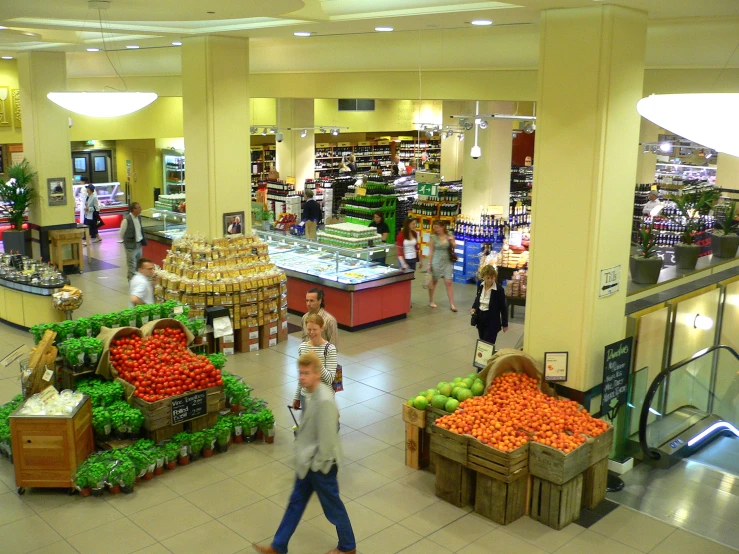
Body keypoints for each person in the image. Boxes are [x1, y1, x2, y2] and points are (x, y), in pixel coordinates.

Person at [254, 351, 355, 554]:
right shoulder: (311, 394)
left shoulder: (325, 399)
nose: (302, 377)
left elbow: (327, 439)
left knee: (333, 507)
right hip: (308, 462)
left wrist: (316, 465)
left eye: (306, 373)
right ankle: (278, 546)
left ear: (317, 374)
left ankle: (348, 546)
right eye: (300, 373)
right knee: (296, 502)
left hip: (321, 465)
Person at [293, 313, 338, 409]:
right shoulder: (303, 347)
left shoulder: (330, 349)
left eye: (315, 329)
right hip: (306, 397)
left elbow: (329, 379)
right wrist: (297, 397)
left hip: (323, 397)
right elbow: (302, 375)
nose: (311, 332)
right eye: (309, 329)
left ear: (322, 328)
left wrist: (317, 361)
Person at [470, 265, 508, 346]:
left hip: (492, 321)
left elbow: (503, 307)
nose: (490, 280)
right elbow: (478, 297)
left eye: (492, 277)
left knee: (487, 344)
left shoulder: (499, 290)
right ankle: (484, 358)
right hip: (480, 318)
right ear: (483, 277)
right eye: (488, 278)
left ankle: (487, 358)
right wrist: (474, 307)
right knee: (482, 340)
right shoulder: (480, 285)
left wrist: (505, 324)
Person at [427, 219, 457, 311]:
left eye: (437, 227)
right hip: (436, 261)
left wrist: (452, 241)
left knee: (449, 282)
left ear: (442, 227)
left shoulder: (449, 235)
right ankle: (431, 300)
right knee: (434, 282)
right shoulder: (433, 237)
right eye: (434, 227)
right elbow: (431, 251)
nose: (436, 229)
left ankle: (452, 304)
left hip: (447, 261)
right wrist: (429, 263)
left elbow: (455, 246)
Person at [119, 202, 148, 280]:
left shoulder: (139, 217)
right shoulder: (126, 220)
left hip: (139, 244)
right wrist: (125, 241)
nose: (140, 209)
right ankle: (132, 281)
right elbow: (122, 232)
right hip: (130, 245)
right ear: (133, 209)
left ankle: (136, 279)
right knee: (132, 264)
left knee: (138, 264)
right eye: (138, 207)